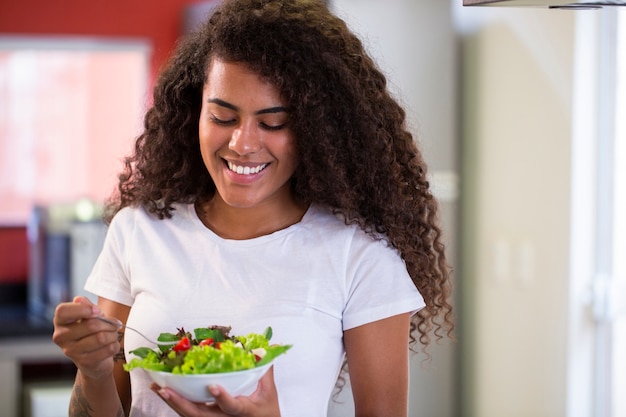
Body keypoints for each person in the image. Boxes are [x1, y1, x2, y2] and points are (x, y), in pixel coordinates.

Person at [52, 0, 454, 416]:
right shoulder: (139, 230)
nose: (242, 143)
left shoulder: (360, 256)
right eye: (222, 116)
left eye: (273, 122)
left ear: (317, 130)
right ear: (196, 113)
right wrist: (94, 369)